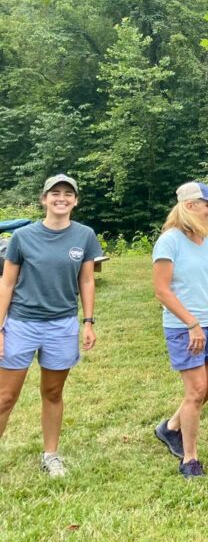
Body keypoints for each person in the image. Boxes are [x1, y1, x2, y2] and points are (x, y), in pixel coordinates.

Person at [0, 174, 102, 478]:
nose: (61, 198)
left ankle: (51, 455)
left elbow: (86, 279)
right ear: (44, 199)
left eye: (68, 194)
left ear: (75, 200)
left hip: (62, 326)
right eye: (54, 193)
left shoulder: (84, 236)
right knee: (5, 396)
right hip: (21, 324)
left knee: (53, 392)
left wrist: (88, 321)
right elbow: (7, 284)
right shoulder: (23, 237)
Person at [152, 181, 208, 479]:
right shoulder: (169, 242)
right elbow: (162, 290)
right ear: (189, 206)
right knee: (196, 390)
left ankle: (170, 427)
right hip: (184, 328)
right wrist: (191, 323)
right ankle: (189, 459)